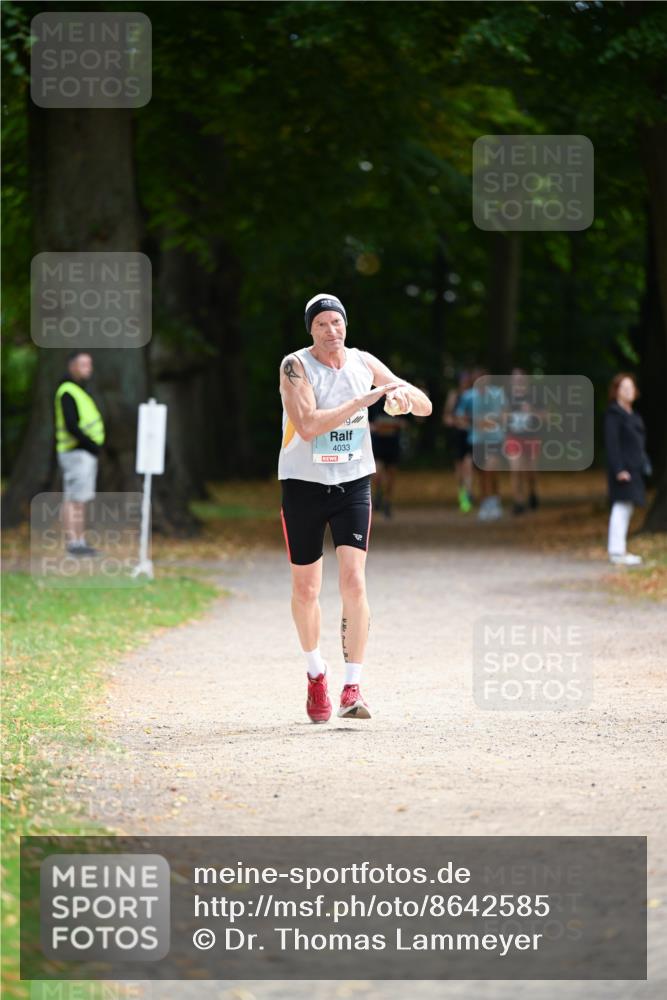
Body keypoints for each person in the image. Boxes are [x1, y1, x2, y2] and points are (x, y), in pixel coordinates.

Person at [278, 293, 432, 723]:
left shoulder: (363, 362)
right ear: (311, 329)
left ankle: (352, 686)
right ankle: (315, 673)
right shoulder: (295, 367)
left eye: (338, 322)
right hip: (303, 487)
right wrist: (363, 402)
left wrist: (401, 398)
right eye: (323, 323)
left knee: (354, 583)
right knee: (307, 590)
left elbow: (424, 404)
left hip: (352, 486)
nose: (333, 330)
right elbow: (307, 426)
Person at [54, 351, 105, 556]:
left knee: (80, 499)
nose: (88, 369)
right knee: (74, 499)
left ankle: (80, 541)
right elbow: (71, 425)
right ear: (72, 366)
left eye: (89, 364)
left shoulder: (79, 391)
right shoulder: (68, 392)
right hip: (76, 453)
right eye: (84, 364)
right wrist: (91, 445)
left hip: (82, 453)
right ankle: (73, 543)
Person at [604, 373, 650, 566]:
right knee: (621, 507)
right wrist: (618, 469)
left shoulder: (633, 415)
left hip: (635, 468)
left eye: (631, 388)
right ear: (617, 392)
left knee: (627, 507)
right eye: (624, 388)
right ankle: (616, 551)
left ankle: (619, 549)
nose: (629, 391)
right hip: (623, 470)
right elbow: (612, 444)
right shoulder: (613, 415)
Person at [455, 367, 504, 521]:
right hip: (476, 440)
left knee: (491, 469)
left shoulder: (498, 394)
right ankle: (485, 504)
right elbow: (459, 416)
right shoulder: (468, 396)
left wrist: (492, 421)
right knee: (482, 473)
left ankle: (494, 501)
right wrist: (473, 421)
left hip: (494, 438)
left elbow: (504, 414)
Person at [506, 367, 540, 515]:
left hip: (531, 437)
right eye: (515, 379)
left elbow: (546, 416)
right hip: (513, 437)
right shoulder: (506, 397)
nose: (517, 382)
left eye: (520, 379)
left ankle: (532, 493)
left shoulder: (534, 396)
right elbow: (499, 416)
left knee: (530, 471)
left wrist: (531, 411)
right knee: (515, 469)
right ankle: (518, 502)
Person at [443, 370, 473, 513]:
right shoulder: (454, 395)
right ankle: (462, 494)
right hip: (458, 435)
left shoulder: (474, 396)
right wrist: (456, 421)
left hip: (470, 434)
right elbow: (447, 417)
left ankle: (468, 494)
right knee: (459, 469)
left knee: (468, 464)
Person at [369, 398, 405, 517]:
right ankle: (378, 493)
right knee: (377, 473)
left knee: (391, 475)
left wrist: (390, 426)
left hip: (393, 444)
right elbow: (368, 423)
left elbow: (403, 423)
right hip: (378, 444)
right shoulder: (374, 402)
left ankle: (387, 502)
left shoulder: (399, 401)